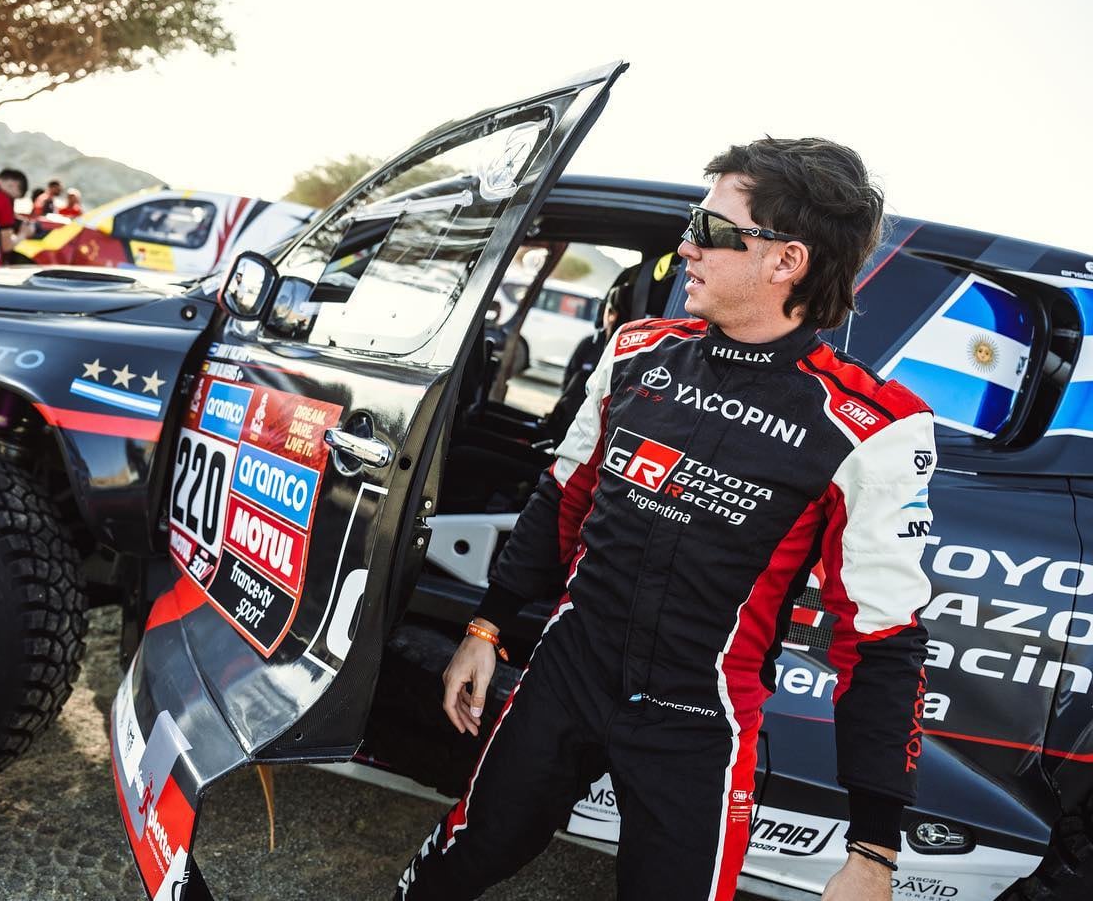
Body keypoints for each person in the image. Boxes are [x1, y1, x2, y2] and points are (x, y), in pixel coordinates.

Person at [395, 138, 934, 901]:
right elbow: (563, 501)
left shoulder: (870, 427)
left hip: (698, 721)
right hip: (567, 672)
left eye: (711, 230)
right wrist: (488, 627)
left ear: (786, 261)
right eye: (692, 222)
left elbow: (881, 642)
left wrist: (873, 849)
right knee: (468, 850)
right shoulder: (636, 353)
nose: (686, 245)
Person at [542, 270, 634, 439]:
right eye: (611, 311)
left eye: (617, 312)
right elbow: (567, 384)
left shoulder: (634, 354)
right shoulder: (589, 345)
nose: (613, 319)